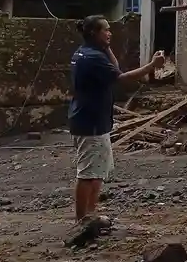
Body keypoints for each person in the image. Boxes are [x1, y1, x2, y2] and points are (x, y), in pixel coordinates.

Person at [70, 15, 164, 223]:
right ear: (94, 33)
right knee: (87, 173)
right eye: (105, 30)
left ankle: (91, 214)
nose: (110, 33)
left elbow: (115, 68)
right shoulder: (92, 57)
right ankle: (82, 218)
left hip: (92, 119)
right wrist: (151, 66)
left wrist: (106, 46)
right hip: (90, 121)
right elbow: (122, 78)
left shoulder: (86, 52)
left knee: (97, 171)